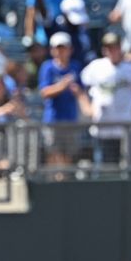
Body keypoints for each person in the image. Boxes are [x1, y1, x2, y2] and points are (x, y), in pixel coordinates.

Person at [81, 32, 131, 162]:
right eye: (108, 47)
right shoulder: (95, 67)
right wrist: (87, 107)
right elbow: (80, 86)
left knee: (126, 167)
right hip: (102, 126)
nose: (111, 50)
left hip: (125, 127)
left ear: (120, 48)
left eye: (114, 47)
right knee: (104, 168)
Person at [39, 31, 90, 166]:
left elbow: (81, 90)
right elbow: (45, 92)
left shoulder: (75, 66)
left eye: (63, 48)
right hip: (53, 119)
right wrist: (62, 86)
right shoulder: (47, 67)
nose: (60, 51)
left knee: (68, 154)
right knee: (53, 152)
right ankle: (54, 181)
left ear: (70, 49)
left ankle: (63, 180)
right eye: (57, 48)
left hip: (71, 118)